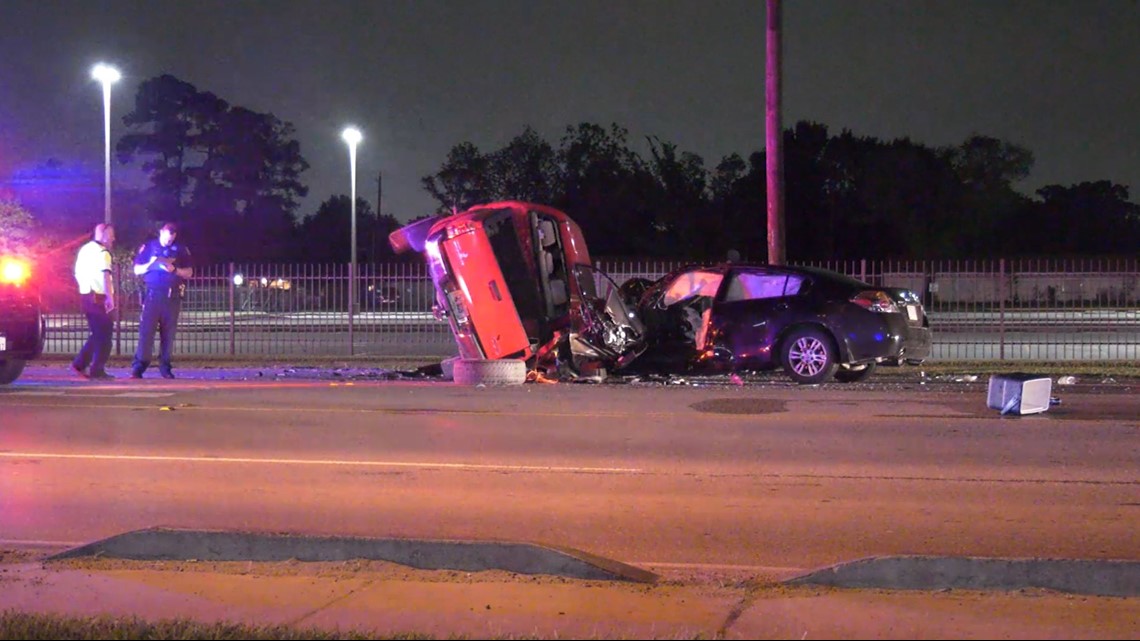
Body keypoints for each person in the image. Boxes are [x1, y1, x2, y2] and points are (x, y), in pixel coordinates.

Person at [131, 222, 193, 379]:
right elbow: (137, 270)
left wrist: (176, 270)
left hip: (172, 296)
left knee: (168, 334)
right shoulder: (149, 247)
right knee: (146, 332)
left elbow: (189, 272)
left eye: (172, 238)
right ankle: (139, 366)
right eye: (166, 238)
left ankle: (165, 367)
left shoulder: (180, 249)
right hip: (152, 295)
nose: (169, 241)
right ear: (161, 233)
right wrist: (151, 264)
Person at [71, 223, 117, 380]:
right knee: (105, 335)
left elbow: (77, 272)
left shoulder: (84, 250)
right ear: (103, 235)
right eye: (111, 235)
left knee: (97, 333)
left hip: (85, 295)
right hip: (98, 297)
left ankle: (80, 363)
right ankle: (97, 369)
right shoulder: (103, 252)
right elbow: (105, 276)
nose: (113, 238)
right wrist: (110, 298)